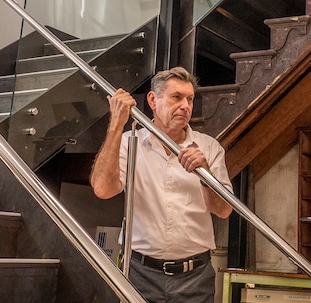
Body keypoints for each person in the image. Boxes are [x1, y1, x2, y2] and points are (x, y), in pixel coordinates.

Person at [90, 67, 233, 303]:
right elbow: (103, 189)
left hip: (195, 277)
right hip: (139, 273)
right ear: (153, 100)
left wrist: (205, 175)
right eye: (176, 97)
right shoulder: (129, 142)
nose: (185, 106)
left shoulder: (209, 148)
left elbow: (224, 210)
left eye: (190, 99)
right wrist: (117, 124)